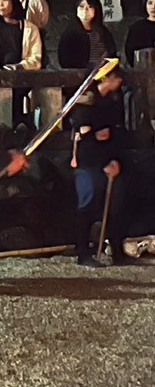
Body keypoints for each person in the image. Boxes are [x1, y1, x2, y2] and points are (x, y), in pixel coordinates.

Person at [64, 63, 131, 268]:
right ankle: (83, 252)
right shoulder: (85, 102)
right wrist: (94, 134)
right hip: (87, 161)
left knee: (117, 203)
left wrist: (115, 161)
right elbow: (83, 134)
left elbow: (115, 133)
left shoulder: (113, 102)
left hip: (108, 158)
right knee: (87, 203)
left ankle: (117, 249)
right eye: (115, 77)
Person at [57, 0, 117, 71]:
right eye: (81, 7)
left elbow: (112, 53)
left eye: (90, 7)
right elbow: (64, 59)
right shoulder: (69, 34)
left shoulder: (103, 32)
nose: (85, 10)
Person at [124, 0, 155, 65]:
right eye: (150, 3)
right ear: (145, 5)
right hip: (142, 67)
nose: (153, 7)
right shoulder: (136, 27)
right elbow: (129, 50)